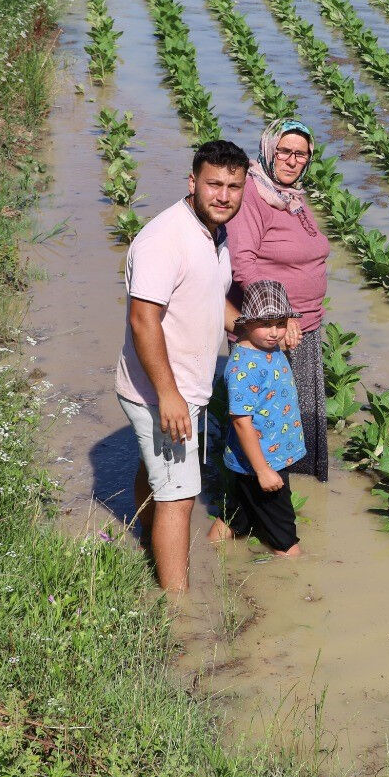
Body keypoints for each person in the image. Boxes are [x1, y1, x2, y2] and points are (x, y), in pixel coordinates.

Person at [116, 140, 250, 591]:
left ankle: (145, 543)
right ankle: (178, 609)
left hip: (181, 386)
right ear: (192, 182)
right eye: (214, 184)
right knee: (180, 496)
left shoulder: (214, 233)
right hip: (160, 389)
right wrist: (168, 395)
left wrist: (250, 332)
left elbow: (209, 299)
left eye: (234, 186)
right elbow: (143, 319)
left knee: (157, 477)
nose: (224, 195)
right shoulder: (164, 239)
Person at [228, 120, 332, 482]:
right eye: (284, 151)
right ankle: (251, 514)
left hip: (304, 327)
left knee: (289, 422)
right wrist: (283, 316)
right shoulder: (253, 197)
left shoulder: (291, 197)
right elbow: (243, 263)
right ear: (269, 151)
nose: (291, 161)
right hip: (271, 331)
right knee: (267, 425)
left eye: (300, 154)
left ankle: (269, 510)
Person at [207, 280, 305, 558]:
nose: (274, 333)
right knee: (287, 543)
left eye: (280, 323)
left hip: (255, 461)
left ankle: (206, 556)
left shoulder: (267, 348)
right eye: (265, 324)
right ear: (245, 322)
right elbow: (241, 422)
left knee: (236, 517)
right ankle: (292, 582)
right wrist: (262, 470)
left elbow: (275, 336)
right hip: (260, 463)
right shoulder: (243, 368)